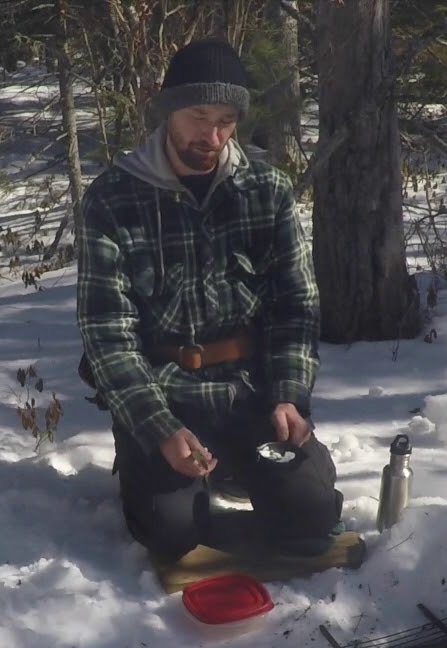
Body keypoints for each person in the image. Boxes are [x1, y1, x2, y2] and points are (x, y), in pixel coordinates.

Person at [76, 38, 342, 562]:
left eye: (226, 119)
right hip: (163, 390)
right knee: (174, 534)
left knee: (311, 512)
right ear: (168, 109)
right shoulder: (113, 198)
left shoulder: (265, 188)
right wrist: (158, 428)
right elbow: (108, 337)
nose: (212, 135)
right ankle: (151, 471)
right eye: (199, 115)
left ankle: (250, 468)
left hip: (249, 389)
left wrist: (290, 395)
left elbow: (296, 304)